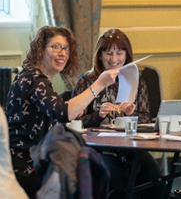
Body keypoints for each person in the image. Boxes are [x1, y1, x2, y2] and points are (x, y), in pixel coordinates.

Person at [5, 26, 119, 198]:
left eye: (66, 49)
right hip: (22, 166)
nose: (62, 53)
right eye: (55, 47)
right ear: (40, 50)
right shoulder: (35, 79)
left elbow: (57, 110)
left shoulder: (34, 77)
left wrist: (72, 108)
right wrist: (99, 84)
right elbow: (63, 112)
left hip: (29, 161)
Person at [72, 28, 165, 198]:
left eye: (119, 53)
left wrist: (131, 113)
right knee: (117, 185)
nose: (114, 59)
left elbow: (146, 118)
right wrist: (97, 116)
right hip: (100, 149)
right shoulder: (86, 81)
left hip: (131, 148)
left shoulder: (136, 79)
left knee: (158, 183)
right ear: (99, 56)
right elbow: (73, 122)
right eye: (108, 53)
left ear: (126, 55)